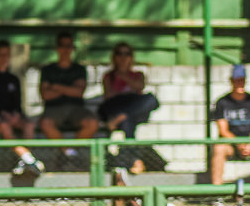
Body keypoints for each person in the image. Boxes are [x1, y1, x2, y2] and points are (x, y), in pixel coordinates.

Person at [0, 39, 44, 178]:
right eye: (0, 54)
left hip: (11, 117)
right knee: (4, 125)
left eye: (6, 54)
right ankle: (29, 159)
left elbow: (17, 104)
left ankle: (23, 160)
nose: (3, 58)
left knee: (29, 124)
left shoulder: (13, 79)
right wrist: (3, 114)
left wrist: (15, 115)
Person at [98, 42, 160, 174]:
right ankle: (134, 160)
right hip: (117, 106)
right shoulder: (109, 76)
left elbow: (139, 86)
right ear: (114, 57)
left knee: (151, 99)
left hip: (131, 108)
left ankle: (122, 117)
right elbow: (108, 97)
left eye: (127, 54)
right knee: (127, 120)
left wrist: (124, 76)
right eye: (119, 53)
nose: (123, 57)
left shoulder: (138, 74)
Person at [38, 31, 99, 157]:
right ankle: (66, 152)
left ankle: (71, 153)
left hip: (76, 109)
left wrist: (55, 86)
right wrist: (69, 88)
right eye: (62, 45)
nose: (65, 50)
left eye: (68, 46)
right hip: (53, 109)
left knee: (92, 123)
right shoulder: (48, 70)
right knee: (45, 123)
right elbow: (45, 95)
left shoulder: (79, 69)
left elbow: (79, 92)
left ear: (73, 48)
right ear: (57, 48)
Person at [210, 64, 250, 186]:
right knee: (218, 148)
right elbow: (223, 130)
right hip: (232, 144)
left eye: (242, 80)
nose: (239, 83)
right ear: (231, 81)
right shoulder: (222, 102)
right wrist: (239, 143)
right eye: (236, 80)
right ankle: (217, 192)